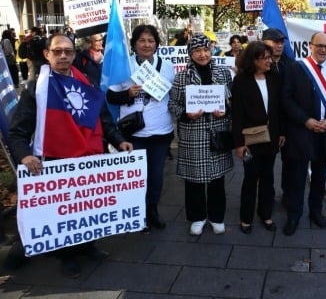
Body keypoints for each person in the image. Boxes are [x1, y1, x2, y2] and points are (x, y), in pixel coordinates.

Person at [7, 33, 133, 278]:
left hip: (89, 158)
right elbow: (17, 130)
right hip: (56, 160)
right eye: (57, 51)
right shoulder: (36, 88)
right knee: (62, 212)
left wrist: (120, 141)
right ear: (47, 54)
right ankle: (67, 257)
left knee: (88, 208)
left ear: (75, 55)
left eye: (68, 51)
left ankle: (88, 246)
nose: (63, 55)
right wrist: (24, 156)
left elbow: (104, 118)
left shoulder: (88, 83)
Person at [106, 25, 175, 233]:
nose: (147, 44)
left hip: (161, 131)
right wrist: (127, 93)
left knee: (156, 176)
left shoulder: (167, 66)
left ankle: (152, 211)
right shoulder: (124, 66)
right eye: (142, 40)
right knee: (136, 177)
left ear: (156, 44)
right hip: (133, 133)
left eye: (151, 41)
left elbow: (175, 93)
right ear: (134, 44)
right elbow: (110, 97)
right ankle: (137, 215)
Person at [168, 34, 233, 235]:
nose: (202, 54)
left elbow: (232, 100)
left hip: (217, 131)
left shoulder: (223, 73)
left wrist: (227, 111)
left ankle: (216, 217)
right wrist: (186, 115)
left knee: (217, 179)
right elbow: (173, 104)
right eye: (197, 50)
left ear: (211, 50)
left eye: (205, 49)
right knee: (193, 180)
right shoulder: (182, 77)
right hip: (193, 134)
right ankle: (197, 217)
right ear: (190, 53)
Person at [281, 32, 326, 235]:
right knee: (297, 178)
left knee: (320, 176)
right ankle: (294, 215)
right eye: (320, 45)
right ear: (310, 46)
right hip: (301, 132)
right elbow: (286, 99)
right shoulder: (296, 68)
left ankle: (316, 211)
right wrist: (305, 120)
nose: (323, 49)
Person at [231, 41, 284, 234]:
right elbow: (236, 114)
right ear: (254, 60)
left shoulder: (274, 77)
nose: (270, 61)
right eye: (265, 58)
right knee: (251, 177)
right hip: (251, 140)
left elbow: (279, 109)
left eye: (270, 58)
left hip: (272, 137)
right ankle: (246, 218)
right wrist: (238, 143)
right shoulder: (241, 81)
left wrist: (281, 132)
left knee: (268, 177)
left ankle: (266, 214)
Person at [261, 27, 293, 204]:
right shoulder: (256, 66)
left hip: (288, 122)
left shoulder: (291, 64)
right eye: (274, 41)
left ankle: (287, 195)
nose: (279, 45)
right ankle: (268, 197)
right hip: (266, 124)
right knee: (267, 165)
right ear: (263, 42)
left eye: (281, 42)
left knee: (290, 162)